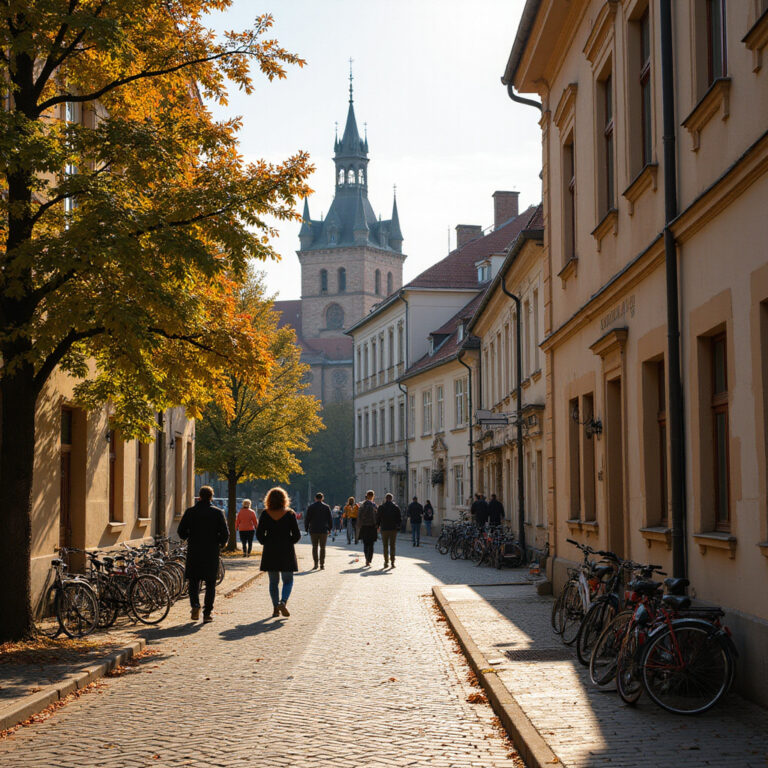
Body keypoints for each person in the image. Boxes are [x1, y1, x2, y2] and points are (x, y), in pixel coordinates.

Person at [177, 486, 228, 623]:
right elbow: (225, 533)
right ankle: (207, 613)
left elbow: (181, 531)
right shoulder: (217, 513)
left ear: (199, 496)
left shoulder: (190, 512)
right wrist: (220, 544)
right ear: (211, 497)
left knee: (193, 581)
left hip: (194, 550)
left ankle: (195, 605)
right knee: (210, 583)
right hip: (211, 552)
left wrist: (189, 536)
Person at [256, 486, 301, 617]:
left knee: (273, 582)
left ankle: (275, 607)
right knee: (288, 580)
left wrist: (266, 542)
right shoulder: (290, 513)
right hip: (286, 550)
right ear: (284, 499)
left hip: (270, 551)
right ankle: (283, 601)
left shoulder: (265, 513)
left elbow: (259, 534)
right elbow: (297, 534)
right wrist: (289, 542)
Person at [305, 492, 333, 569]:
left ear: (315, 498)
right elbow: (330, 519)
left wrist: (306, 528)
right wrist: (330, 528)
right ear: (322, 498)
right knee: (322, 547)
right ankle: (322, 564)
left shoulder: (311, 507)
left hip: (313, 529)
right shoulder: (326, 507)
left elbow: (307, 518)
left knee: (314, 547)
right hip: (323, 530)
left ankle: (315, 563)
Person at [376, 493, 401, 568]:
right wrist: (398, 527)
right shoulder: (396, 507)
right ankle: (392, 561)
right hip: (393, 529)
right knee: (392, 545)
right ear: (391, 499)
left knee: (385, 546)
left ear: (386, 498)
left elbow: (378, 518)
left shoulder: (381, 507)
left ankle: (386, 561)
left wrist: (377, 526)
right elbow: (399, 519)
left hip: (384, 529)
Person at [356, 490, 378, 567]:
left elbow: (359, 516)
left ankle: (366, 559)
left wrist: (359, 525)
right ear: (372, 496)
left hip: (364, 526)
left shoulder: (362, 505)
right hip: (372, 526)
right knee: (371, 544)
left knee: (365, 544)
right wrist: (377, 525)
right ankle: (369, 559)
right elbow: (377, 516)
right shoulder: (374, 505)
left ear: (366, 495)